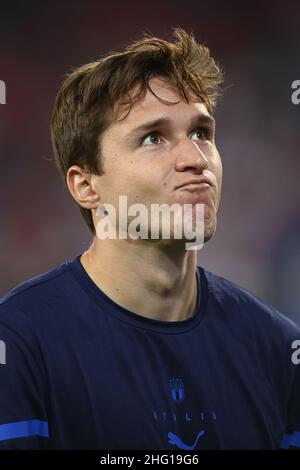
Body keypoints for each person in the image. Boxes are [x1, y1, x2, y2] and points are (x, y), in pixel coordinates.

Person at [0, 28, 299, 450]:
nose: (196, 161)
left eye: (201, 133)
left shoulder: (278, 349)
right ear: (86, 186)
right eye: (153, 138)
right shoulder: (18, 344)